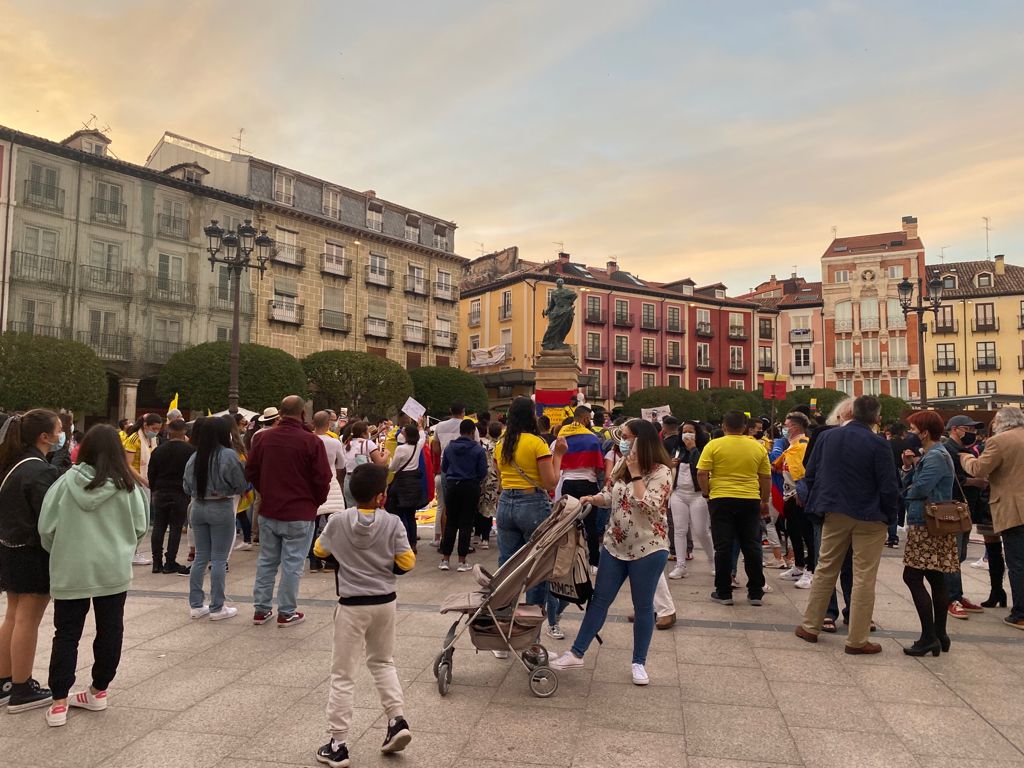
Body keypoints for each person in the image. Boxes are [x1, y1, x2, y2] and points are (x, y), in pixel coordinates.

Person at [38, 424, 149, 726]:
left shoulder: (64, 483)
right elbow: (140, 528)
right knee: (110, 629)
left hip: (71, 566)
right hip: (112, 567)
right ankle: (99, 690)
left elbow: (46, 529)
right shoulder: (129, 486)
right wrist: (123, 548)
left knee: (67, 633)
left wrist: (61, 550)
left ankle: (59, 702)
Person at [549, 419, 673, 685]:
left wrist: (637, 472)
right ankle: (576, 652)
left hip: (648, 548)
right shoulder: (621, 463)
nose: (623, 441)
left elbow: (648, 505)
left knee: (643, 607)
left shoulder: (661, 471)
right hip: (614, 545)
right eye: (623, 437)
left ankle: (639, 662)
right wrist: (594, 499)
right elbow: (611, 494)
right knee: (599, 600)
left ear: (643, 440)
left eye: (628, 437)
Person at [311, 464, 414, 767]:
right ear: (382, 496)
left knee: (343, 673)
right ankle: (397, 720)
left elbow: (318, 551)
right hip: (385, 602)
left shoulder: (337, 521)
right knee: (383, 662)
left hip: (352, 605)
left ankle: (338, 743)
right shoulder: (393, 522)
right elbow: (406, 563)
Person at [795, 396, 898, 654]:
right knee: (864, 576)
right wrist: (891, 517)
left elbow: (811, 472)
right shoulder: (879, 444)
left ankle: (810, 626)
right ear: (876, 418)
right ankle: (857, 639)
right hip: (870, 516)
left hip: (834, 511)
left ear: (849, 414)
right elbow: (888, 486)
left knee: (825, 567)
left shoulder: (827, 438)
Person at [248, 396, 333, 627]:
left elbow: (252, 471)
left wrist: (265, 490)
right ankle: (286, 611)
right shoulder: (311, 441)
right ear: (303, 414)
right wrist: (315, 501)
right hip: (300, 510)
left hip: (270, 509)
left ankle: (261, 609)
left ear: (280, 413)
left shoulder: (263, 439)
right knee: (292, 564)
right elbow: (323, 477)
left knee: (267, 561)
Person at [0, 410, 63, 712]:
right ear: (45, 436)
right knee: (28, 618)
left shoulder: (13, 463)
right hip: (33, 551)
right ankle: (22, 688)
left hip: (10, 547)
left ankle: (5, 681)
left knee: (13, 615)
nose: (63, 433)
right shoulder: (39, 470)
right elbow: (48, 519)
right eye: (60, 429)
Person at [696, 410, 771, 605]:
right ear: (745, 427)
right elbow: (766, 477)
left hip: (721, 498)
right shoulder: (758, 447)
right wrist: (764, 500)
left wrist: (706, 493)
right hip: (750, 498)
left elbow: (702, 473)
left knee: (723, 546)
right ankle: (755, 591)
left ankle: (724, 591)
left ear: (723, 426)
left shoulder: (713, 445)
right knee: (752, 545)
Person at [899, 410, 958, 656]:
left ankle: (929, 636)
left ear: (924, 432)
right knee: (935, 577)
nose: (910, 434)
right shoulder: (931, 455)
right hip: (932, 523)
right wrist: (908, 467)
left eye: (913, 430)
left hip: (927, 524)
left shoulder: (935, 456)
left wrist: (906, 492)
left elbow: (921, 488)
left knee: (912, 577)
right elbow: (912, 481)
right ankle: (940, 634)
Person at [960, 406, 1024, 630]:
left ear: (1002, 421)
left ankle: (1020, 613)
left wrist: (965, 457)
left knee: (1017, 562)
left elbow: (980, 468)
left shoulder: (1000, 441)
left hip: (1013, 508)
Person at [183, 417, 249, 620]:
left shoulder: (195, 456)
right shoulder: (228, 455)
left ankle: (196, 604)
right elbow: (240, 484)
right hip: (221, 506)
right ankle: (217, 606)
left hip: (198, 506)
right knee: (219, 558)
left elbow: (186, 485)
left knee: (201, 556)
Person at [941, 415, 987, 619]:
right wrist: (973, 482)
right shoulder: (948, 451)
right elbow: (949, 479)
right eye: (968, 429)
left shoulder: (967, 450)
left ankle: (957, 594)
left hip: (966, 509)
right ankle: (950, 598)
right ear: (955, 429)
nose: (973, 433)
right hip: (954, 508)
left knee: (960, 555)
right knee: (953, 554)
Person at [556, 406, 606, 567]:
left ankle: (568, 560)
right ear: (585, 419)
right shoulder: (592, 439)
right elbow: (599, 467)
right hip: (588, 483)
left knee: (568, 524)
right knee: (591, 526)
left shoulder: (562, 436)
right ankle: (594, 562)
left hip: (567, 483)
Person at [438, 419, 488, 572]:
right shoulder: (478, 449)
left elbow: (444, 467)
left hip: (453, 485)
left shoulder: (449, 447)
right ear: (473, 432)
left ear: (460, 431)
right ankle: (462, 561)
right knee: (466, 523)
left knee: (451, 522)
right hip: (470, 485)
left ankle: (445, 559)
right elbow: (483, 472)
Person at [147, 419, 195, 575]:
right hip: (180, 492)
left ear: (168, 432)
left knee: (159, 526)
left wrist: (154, 489)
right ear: (184, 432)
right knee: (175, 527)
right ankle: (170, 562)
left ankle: (156, 562)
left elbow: (151, 473)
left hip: (161, 491)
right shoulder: (190, 450)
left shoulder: (158, 450)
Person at [668, 421, 714, 578]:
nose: (686, 434)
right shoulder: (677, 449)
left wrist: (693, 449)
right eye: (684, 431)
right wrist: (670, 464)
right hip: (678, 493)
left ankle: (713, 560)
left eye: (690, 431)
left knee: (702, 531)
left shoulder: (703, 449)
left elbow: (700, 467)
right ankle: (680, 565)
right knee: (679, 530)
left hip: (698, 495)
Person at [774, 412, 813, 589]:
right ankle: (798, 565)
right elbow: (779, 464)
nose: (784, 428)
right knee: (792, 531)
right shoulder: (792, 446)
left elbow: (803, 473)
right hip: (788, 494)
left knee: (806, 533)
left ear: (794, 428)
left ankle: (811, 570)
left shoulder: (802, 445)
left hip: (798, 495)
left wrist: (801, 492)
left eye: (786, 425)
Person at [431, 402, 476, 548]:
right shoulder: (470, 426)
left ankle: (445, 540)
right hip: (468, 471)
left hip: (448, 468)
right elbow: (477, 447)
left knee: (445, 505)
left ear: (450, 410)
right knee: (466, 508)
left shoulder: (440, 426)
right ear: (463, 411)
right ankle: (465, 544)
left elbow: (436, 449)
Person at [123, 412, 165, 566]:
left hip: (147, 482)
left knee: (143, 518)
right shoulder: (134, 439)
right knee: (136, 517)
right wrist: (143, 480)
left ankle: (135, 550)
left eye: (158, 429)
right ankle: (132, 552)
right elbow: (127, 464)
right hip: (135, 482)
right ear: (145, 426)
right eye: (154, 428)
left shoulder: (152, 439)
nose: (156, 431)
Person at [310, 411, 347, 573]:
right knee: (334, 524)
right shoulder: (334, 442)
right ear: (328, 424)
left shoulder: (308, 440)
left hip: (311, 484)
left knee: (313, 524)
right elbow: (341, 464)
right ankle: (331, 560)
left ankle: (313, 560)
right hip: (330, 482)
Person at [388, 424, 428, 552]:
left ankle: (404, 543)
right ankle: (413, 543)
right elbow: (422, 436)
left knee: (401, 514)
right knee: (411, 516)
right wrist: (421, 425)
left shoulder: (401, 449)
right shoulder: (418, 446)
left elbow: (393, 468)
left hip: (402, 483)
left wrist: (387, 459)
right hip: (414, 482)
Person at [341, 421, 388, 509]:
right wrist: (386, 454)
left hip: (348, 480)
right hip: (365, 480)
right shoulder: (368, 443)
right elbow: (380, 463)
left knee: (352, 511)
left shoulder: (346, 445)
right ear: (363, 433)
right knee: (367, 510)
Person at [476, 421, 503, 549]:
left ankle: (484, 538)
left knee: (485, 507)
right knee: (501, 508)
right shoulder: (503, 446)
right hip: (501, 479)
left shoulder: (484, 446)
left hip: (486, 479)